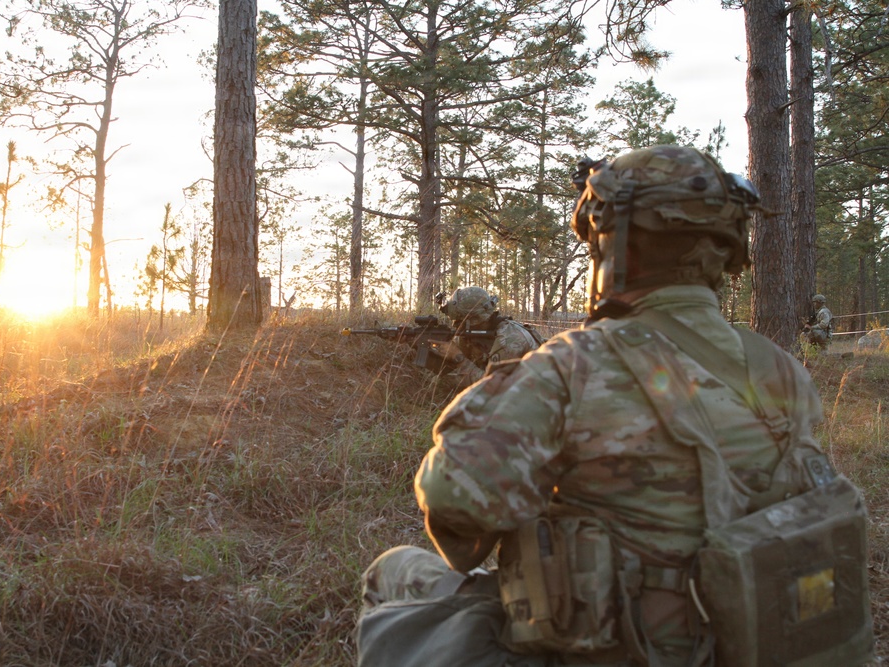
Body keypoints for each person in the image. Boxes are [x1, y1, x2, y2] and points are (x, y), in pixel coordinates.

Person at [356, 146, 871, 667]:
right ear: (727, 247)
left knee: (394, 569)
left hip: (616, 652)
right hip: (748, 645)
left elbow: (454, 510)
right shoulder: (783, 369)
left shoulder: (571, 366)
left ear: (613, 247)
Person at [434, 286, 543, 387]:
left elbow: (490, 386)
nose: (455, 325)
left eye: (459, 321)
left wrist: (459, 358)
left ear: (474, 320)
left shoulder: (509, 339)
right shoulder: (482, 331)